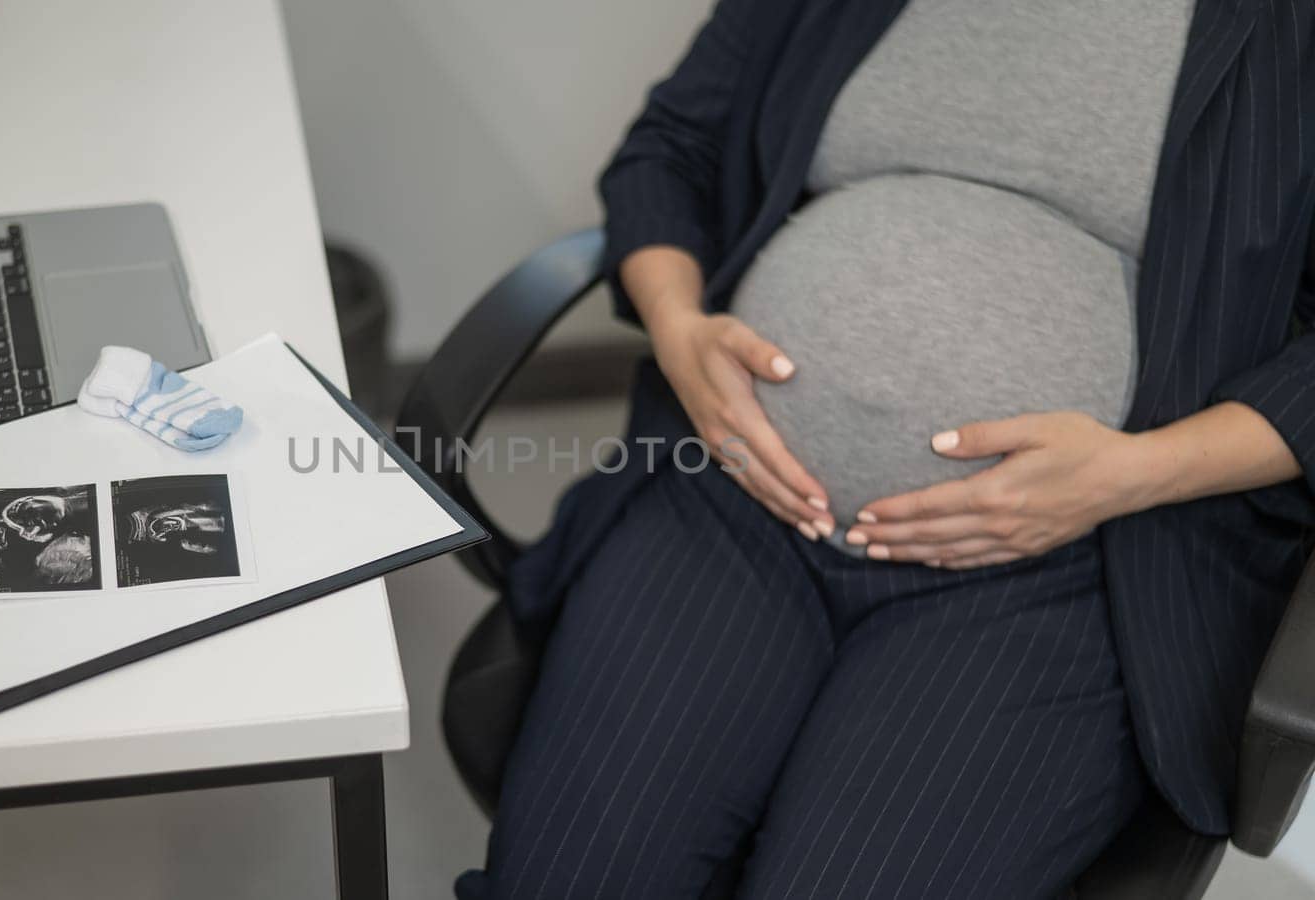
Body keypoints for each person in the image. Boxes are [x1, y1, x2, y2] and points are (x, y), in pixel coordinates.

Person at [456, 0, 1315, 897]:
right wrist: (680, 326)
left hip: (1077, 566)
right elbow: (673, 146)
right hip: (737, 503)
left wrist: (1135, 474)